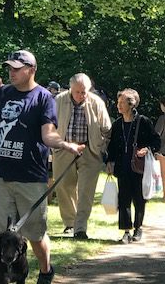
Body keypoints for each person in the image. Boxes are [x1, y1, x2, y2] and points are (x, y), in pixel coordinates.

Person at [0, 50, 84, 284]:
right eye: (9, 68)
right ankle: (2, 276)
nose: (11, 72)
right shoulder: (1, 94)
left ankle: (45, 270)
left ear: (31, 70)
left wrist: (64, 144)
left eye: (16, 68)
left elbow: (48, 134)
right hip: (0, 175)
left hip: (31, 177)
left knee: (34, 234)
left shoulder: (43, 98)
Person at [53, 73, 112, 239]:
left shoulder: (96, 102)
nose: (81, 95)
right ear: (70, 88)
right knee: (64, 186)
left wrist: (100, 147)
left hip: (89, 150)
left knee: (86, 190)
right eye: (77, 91)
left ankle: (80, 227)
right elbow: (49, 124)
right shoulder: (58, 100)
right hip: (64, 148)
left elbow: (107, 129)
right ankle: (70, 223)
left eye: (84, 91)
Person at [106, 88, 161, 244]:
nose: (118, 105)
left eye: (122, 102)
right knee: (123, 199)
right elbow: (112, 146)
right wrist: (109, 161)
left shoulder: (143, 122)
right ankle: (126, 231)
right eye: (118, 102)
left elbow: (156, 141)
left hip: (139, 167)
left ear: (131, 104)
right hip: (122, 167)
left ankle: (138, 228)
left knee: (139, 198)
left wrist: (147, 149)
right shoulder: (117, 124)